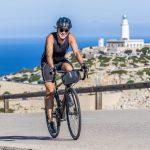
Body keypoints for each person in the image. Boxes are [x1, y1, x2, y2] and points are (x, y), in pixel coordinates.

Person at [41, 17, 88, 133]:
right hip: (48, 63)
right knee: (51, 91)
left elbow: (76, 52)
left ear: (69, 31)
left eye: (66, 30)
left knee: (70, 70)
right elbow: (48, 55)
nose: (63, 32)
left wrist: (83, 64)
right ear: (57, 29)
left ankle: (68, 94)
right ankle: (50, 119)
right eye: (61, 29)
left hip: (61, 61)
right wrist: (52, 67)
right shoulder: (50, 38)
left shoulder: (71, 37)